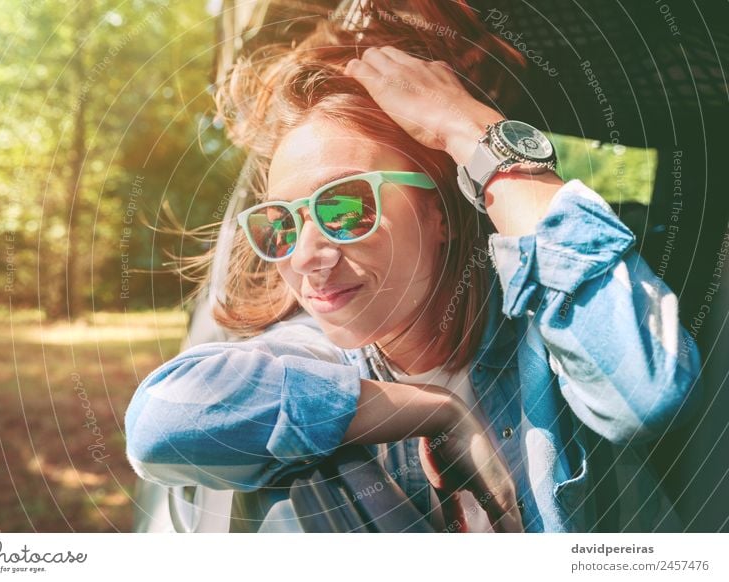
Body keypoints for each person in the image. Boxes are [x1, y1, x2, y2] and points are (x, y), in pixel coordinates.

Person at [125, 6, 702, 533]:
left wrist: (469, 130)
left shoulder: (548, 340)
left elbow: (642, 392)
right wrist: (438, 414)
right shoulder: (315, 354)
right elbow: (161, 424)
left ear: (440, 209)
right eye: (279, 224)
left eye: (345, 208)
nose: (304, 256)